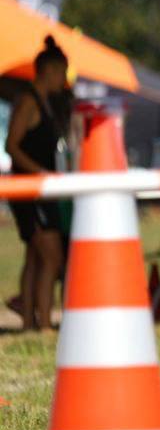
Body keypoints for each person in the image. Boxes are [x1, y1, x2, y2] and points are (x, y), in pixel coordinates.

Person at [6, 36, 69, 331]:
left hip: (40, 189)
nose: (64, 80)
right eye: (62, 72)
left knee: (35, 257)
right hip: (30, 191)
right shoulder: (29, 101)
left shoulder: (47, 103)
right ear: (49, 70)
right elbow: (11, 145)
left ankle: (30, 323)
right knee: (53, 258)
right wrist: (40, 173)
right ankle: (43, 325)